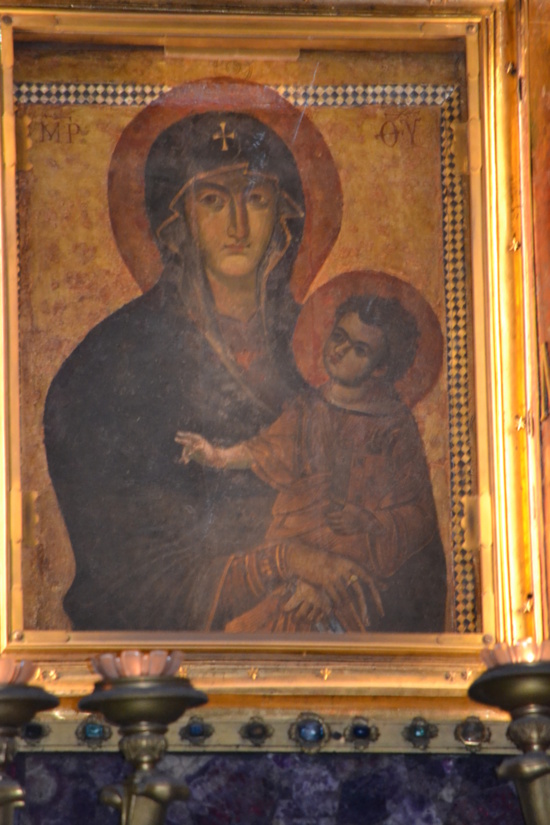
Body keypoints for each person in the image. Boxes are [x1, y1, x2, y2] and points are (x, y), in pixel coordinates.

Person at [43, 95, 341, 631]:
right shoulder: (106, 367)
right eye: (211, 200)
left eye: (255, 198)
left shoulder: (332, 352)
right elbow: (125, 569)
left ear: (284, 216)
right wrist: (272, 561)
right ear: (176, 223)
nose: (237, 225)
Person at [176, 293, 448, 633]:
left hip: (355, 570)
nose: (340, 351)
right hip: (291, 557)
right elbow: (267, 449)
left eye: (359, 350)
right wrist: (218, 456)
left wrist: (366, 519)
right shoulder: (307, 408)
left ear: (380, 368)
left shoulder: (394, 425)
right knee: (245, 632)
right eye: (339, 337)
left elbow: (416, 515)